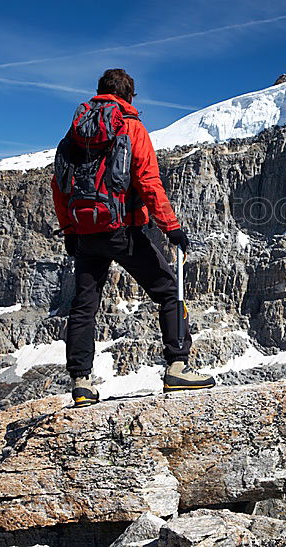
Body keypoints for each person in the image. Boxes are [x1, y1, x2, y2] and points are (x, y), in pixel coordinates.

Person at [51, 68, 215, 407]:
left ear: (99, 91)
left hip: (85, 231)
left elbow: (60, 184)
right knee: (169, 292)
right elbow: (147, 181)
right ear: (129, 96)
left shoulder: (74, 132)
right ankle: (178, 367)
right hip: (124, 229)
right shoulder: (131, 126)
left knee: (84, 306)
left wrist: (69, 228)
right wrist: (171, 227)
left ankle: (81, 383)